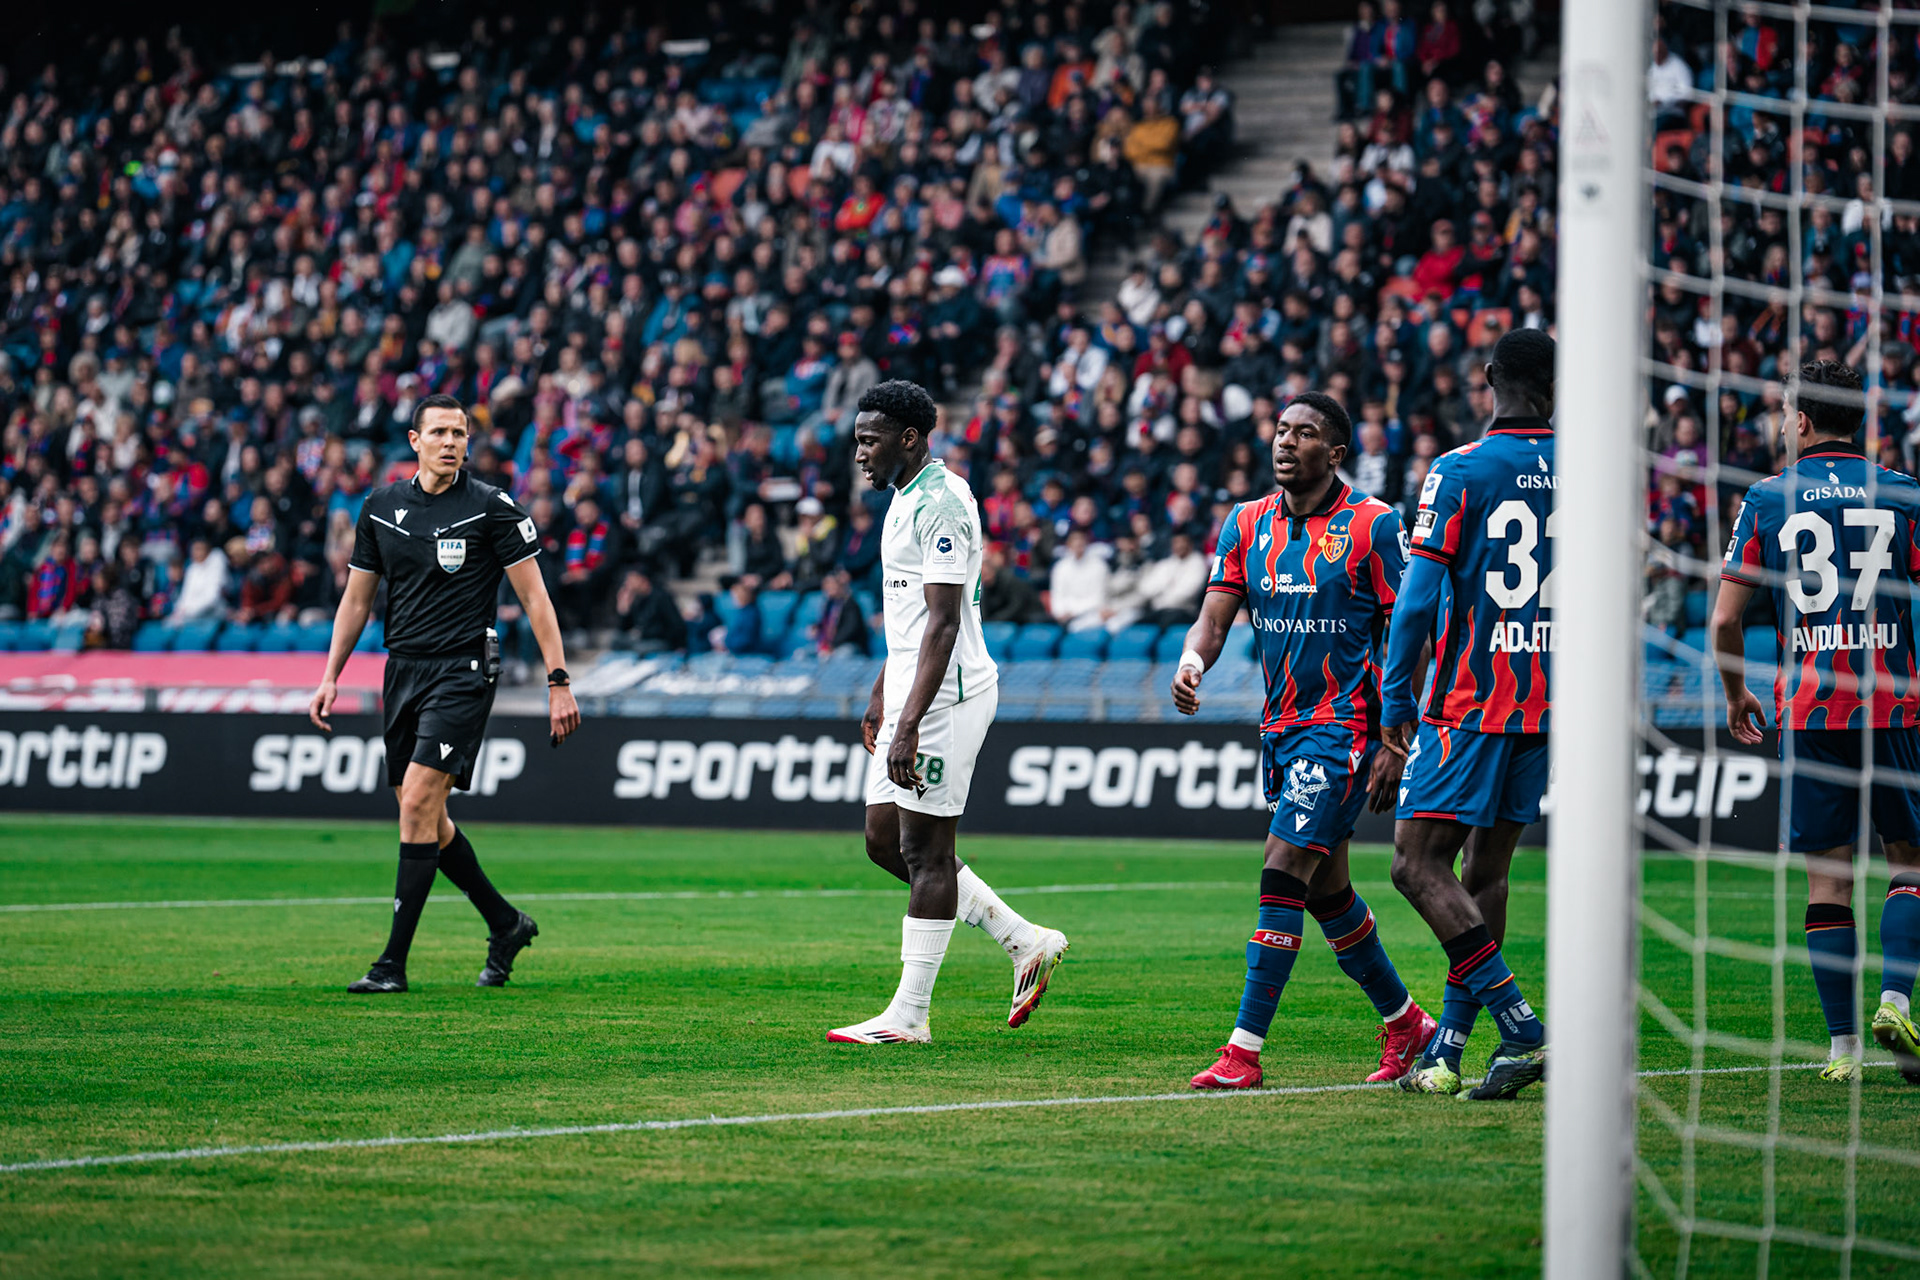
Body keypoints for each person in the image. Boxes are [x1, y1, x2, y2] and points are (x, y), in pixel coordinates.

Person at [1172, 392, 1434, 1090]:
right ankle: (1408, 1026)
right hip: (1281, 729)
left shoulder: (1374, 525)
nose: (1286, 442)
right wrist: (1194, 660)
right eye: (1281, 429)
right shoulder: (1246, 522)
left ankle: (1243, 1053)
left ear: (1336, 453)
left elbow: (1406, 635)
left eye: (1305, 433)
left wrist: (1392, 738)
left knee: (1283, 865)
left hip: (1343, 730)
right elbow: (1214, 617)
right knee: (1329, 895)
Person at [308, 394, 581, 995]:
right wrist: (330, 675)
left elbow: (536, 600)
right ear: (415, 441)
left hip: (464, 671)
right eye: (440, 432)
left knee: (416, 806)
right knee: (428, 816)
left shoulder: (492, 508)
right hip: (401, 670)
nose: (452, 442)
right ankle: (506, 923)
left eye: (460, 433)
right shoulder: (380, 508)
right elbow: (356, 601)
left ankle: (390, 965)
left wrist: (558, 681)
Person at [833, 380, 1069, 1043]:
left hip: (947, 695)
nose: (859, 453)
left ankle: (909, 1016)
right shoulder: (903, 497)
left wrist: (909, 719)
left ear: (909, 439)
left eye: (869, 440)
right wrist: (885, 689)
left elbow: (943, 624)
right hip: (911, 686)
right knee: (885, 842)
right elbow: (909, 621)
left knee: (926, 851)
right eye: (858, 440)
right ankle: (1024, 941)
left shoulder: (943, 503)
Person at [1713, 359, 1920, 1084]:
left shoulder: (1770, 498)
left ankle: (1843, 1052)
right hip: (1895, 702)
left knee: (1827, 885)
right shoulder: (1904, 493)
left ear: (1802, 420)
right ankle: (1896, 998)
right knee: (1910, 866)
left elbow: (1725, 619)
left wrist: (1738, 694)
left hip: (1811, 707)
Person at [1379, 328, 1555, 1099]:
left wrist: (1394, 695)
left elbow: (1418, 594)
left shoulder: (1460, 470)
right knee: (1485, 875)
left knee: (1416, 865)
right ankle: (1449, 1050)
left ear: (1489, 379)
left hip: (1470, 702)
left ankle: (1523, 1029)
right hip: (1547, 702)